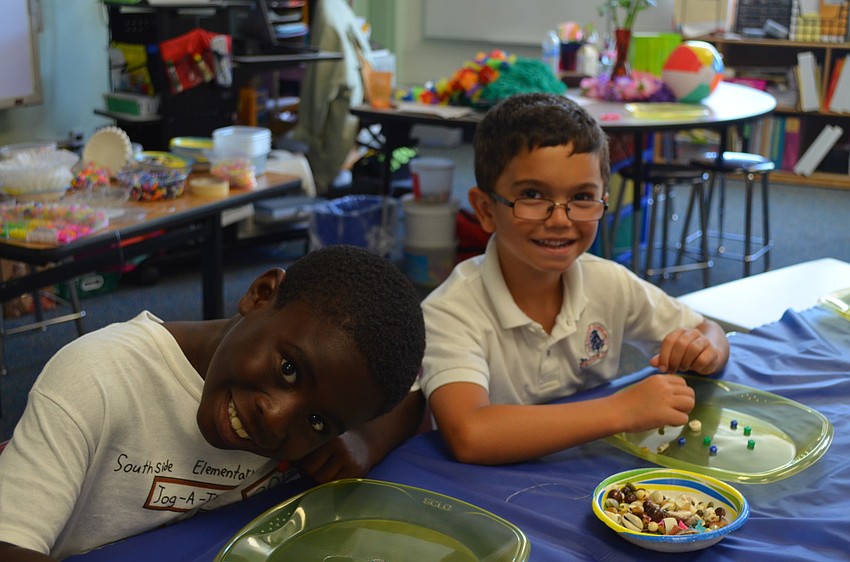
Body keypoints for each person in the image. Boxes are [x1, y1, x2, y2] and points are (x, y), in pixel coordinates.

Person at [0, 245, 426, 561]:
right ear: (260, 294)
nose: (276, 419)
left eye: (316, 421)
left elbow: (415, 396)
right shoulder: (97, 378)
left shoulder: (313, 417)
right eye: (289, 370)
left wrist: (367, 440)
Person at [420, 93, 730, 466]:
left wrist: (704, 350)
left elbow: (708, 330)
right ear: (486, 210)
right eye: (532, 195)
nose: (560, 220)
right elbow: (470, 433)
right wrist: (621, 411)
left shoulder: (609, 282)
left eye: (583, 197)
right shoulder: (449, 310)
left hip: (587, 474)